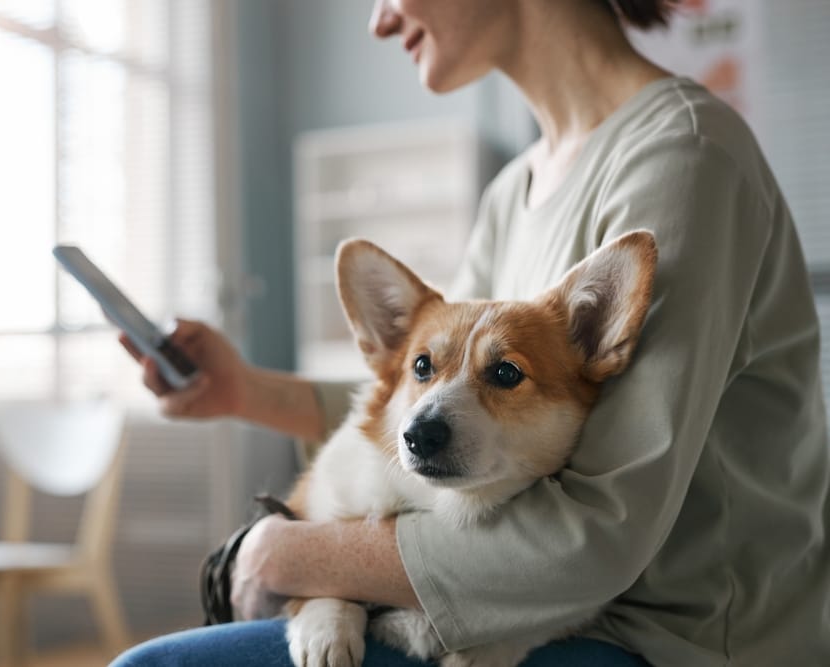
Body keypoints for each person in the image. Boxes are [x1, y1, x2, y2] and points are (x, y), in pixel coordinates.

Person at [111, 0, 830, 665]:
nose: (379, 20)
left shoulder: (684, 159)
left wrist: (290, 553)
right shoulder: (514, 190)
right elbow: (426, 408)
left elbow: (597, 537)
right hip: (514, 610)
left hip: (664, 639)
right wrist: (242, 389)